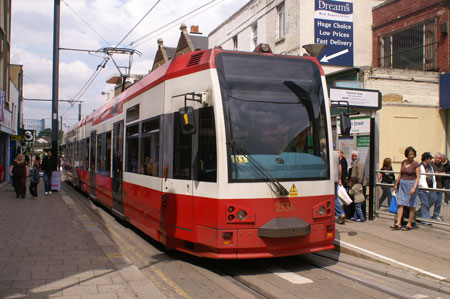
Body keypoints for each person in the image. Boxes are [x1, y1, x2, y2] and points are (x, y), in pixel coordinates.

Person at [392, 146, 420, 231]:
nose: (411, 156)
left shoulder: (416, 164)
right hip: (403, 184)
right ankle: (398, 223)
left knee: (411, 204)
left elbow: (418, 177)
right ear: (406, 155)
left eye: (413, 154)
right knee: (400, 203)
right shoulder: (403, 162)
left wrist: (414, 188)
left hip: (411, 184)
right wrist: (396, 184)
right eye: (410, 154)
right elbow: (400, 174)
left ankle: (409, 223)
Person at [417, 152, 436, 226]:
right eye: (430, 159)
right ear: (426, 159)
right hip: (423, 188)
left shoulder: (430, 167)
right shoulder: (420, 166)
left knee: (432, 200)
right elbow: (420, 178)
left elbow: (433, 176)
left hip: (431, 188)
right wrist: (421, 185)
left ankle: (417, 214)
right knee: (425, 204)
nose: (431, 160)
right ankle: (425, 221)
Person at [430, 152, 444, 221]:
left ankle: (435, 215)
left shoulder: (441, 165)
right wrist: (438, 173)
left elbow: (444, 173)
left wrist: (439, 173)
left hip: (440, 186)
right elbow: (431, 173)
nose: (438, 159)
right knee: (431, 201)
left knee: (439, 202)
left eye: (439, 158)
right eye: (437, 157)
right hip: (432, 186)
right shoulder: (431, 164)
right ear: (434, 158)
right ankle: (423, 214)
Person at [333, 150, 345, 224]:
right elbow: (340, 167)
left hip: (328, 179)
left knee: (332, 197)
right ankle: (340, 213)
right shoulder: (336, 155)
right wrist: (339, 178)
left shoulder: (325, 153)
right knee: (335, 197)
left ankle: (340, 213)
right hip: (335, 179)